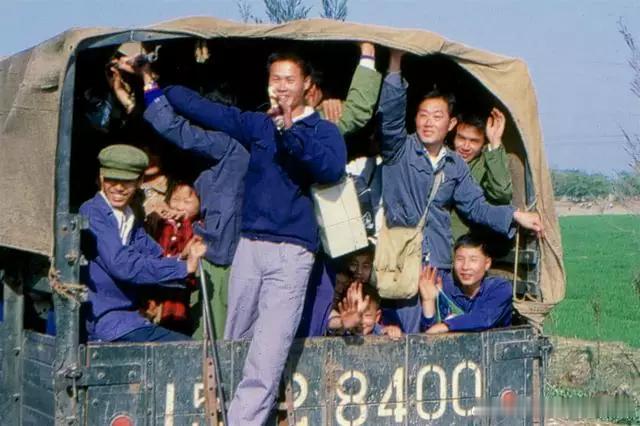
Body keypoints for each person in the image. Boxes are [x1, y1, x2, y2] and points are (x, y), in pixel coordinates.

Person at [155, 51, 346, 425]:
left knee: (267, 353)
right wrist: (157, 85)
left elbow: (328, 168)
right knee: (235, 342)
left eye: (289, 79)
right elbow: (208, 111)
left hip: (292, 253)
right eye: (275, 79)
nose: (281, 87)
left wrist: (289, 129)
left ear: (307, 84)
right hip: (250, 246)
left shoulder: (322, 131)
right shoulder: (259, 125)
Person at [376, 49, 543, 333]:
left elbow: (476, 207)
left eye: (437, 116)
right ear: (415, 119)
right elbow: (390, 119)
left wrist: (516, 215)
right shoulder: (399, 151)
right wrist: (394, 65)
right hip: (401, 261)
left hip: (438, 262)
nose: (429, 122)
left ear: (450, 123)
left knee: (437, 330)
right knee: (405, 334)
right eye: (423, 115)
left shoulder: (455, 165)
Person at [115, 59, 251, 341]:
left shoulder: (225, 145)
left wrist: (148, 79)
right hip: (219, 255)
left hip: (221, 260)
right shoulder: (230, 149)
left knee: (215, 342)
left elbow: (173, 128)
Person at [296, 42, 382, 339]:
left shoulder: (319, 122)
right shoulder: (276, 122)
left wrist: (368, 55)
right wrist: (367, 53)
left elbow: (356, 112)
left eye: (311, 90)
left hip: (322, 239)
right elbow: (358, 112)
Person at [80, 144, 206, 342]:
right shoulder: (93, 212)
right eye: (112, 180)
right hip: (107, 321)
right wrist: (182, 267)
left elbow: (153, 254)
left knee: (192, 347)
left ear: (140, 182)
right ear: (102, 178)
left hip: (130, 317)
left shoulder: (130, 214)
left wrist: (183, 256)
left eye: (127, 181)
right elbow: (122, 265)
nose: (119, 188)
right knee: (190, 351)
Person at [139, 182, 200, 335]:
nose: (180, 206)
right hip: (160, 279)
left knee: (177, 316)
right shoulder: (163, 222)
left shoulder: (197, 226)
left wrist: (185, 221)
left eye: (187, 201)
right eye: (175, 200)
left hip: (182, 284)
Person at [419, 234, 512, 333]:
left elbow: (485, 318)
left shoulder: (500, 288)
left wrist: (447, 325)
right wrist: (428, 301)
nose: (465, 267)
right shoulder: (446, 287)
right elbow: (429, 332)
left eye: (473, 260)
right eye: (460, 259)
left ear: (487, 264)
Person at [450, 109, 513, 240]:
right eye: (461, 138)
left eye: (474, 141)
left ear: (483, 143)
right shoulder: (441, 158)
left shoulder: (486, 165)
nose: (466, 146)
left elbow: (502, 193)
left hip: (467, 243)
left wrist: (495, 142)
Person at [327, 282, 402, 338]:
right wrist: (341, 323)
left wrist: (392, 332)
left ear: (377, 317)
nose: (360, 320)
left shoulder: (380, 333)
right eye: (353, 315)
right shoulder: (341, 331)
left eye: (367, 315)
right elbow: (328, 325)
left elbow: (388, 334)